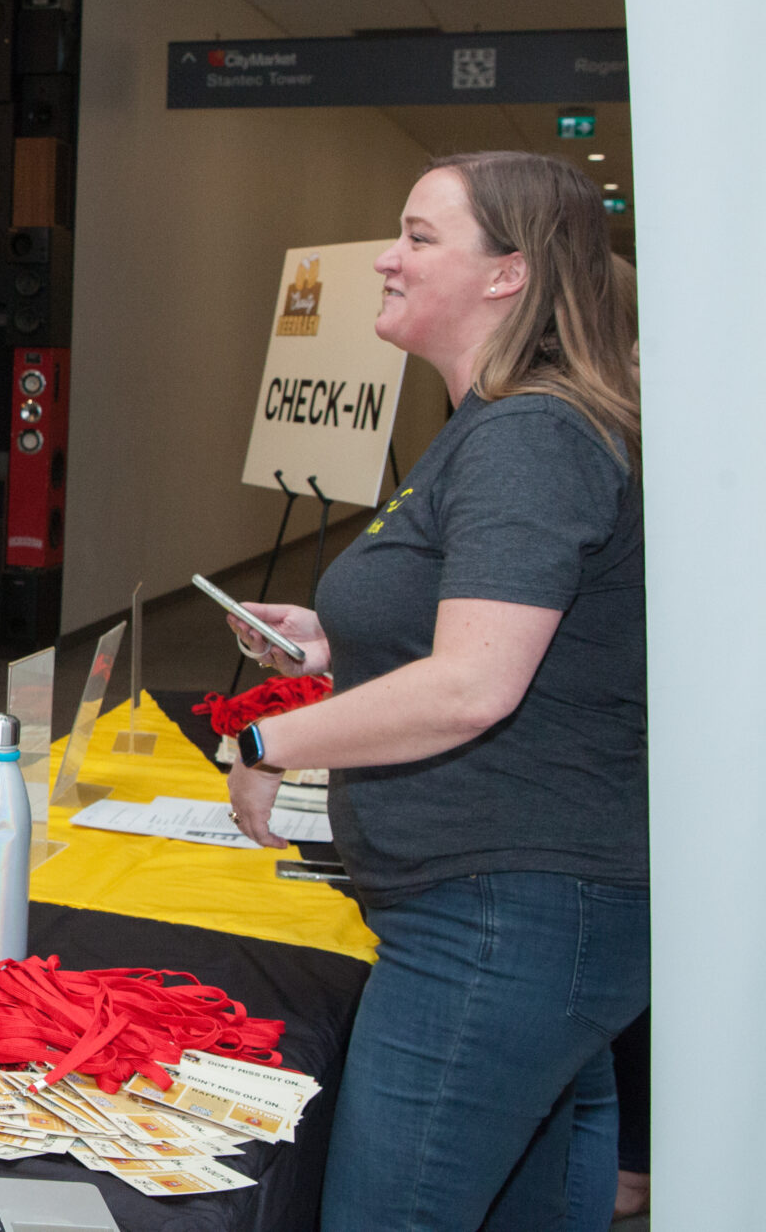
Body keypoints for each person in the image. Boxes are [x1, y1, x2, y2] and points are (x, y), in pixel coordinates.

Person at [220, 152, 644, 1232]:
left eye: (418, 237)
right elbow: (490, 623)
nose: (385, 259)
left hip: (500, 918)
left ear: (508, 274)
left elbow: (471, 685)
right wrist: (333, 643)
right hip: (512, 912)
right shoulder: (494, 425)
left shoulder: (529, 435)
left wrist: (268, 742)